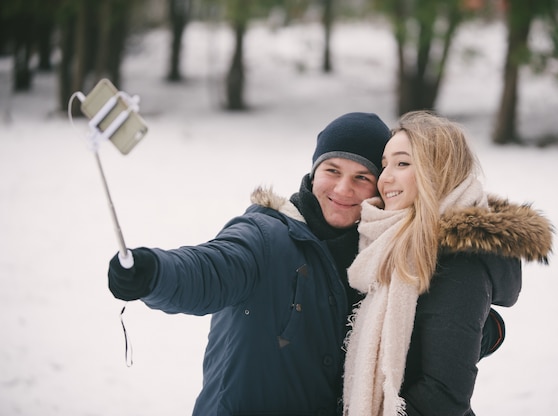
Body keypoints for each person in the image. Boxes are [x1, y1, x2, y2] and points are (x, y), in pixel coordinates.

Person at [107, 112, 392, 415]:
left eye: (362, 177)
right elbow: (212, 267)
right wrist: (155, 272)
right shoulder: (266, 236)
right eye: (332, 170)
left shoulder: (380, 261)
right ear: (312, 173)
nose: (343, 189)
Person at [342, 111, 554, 416]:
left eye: (402, 163)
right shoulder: (383, 244)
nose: (385, 177)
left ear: (437, 172)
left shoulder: (458, 266)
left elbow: (443, 397)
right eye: (385, 164)